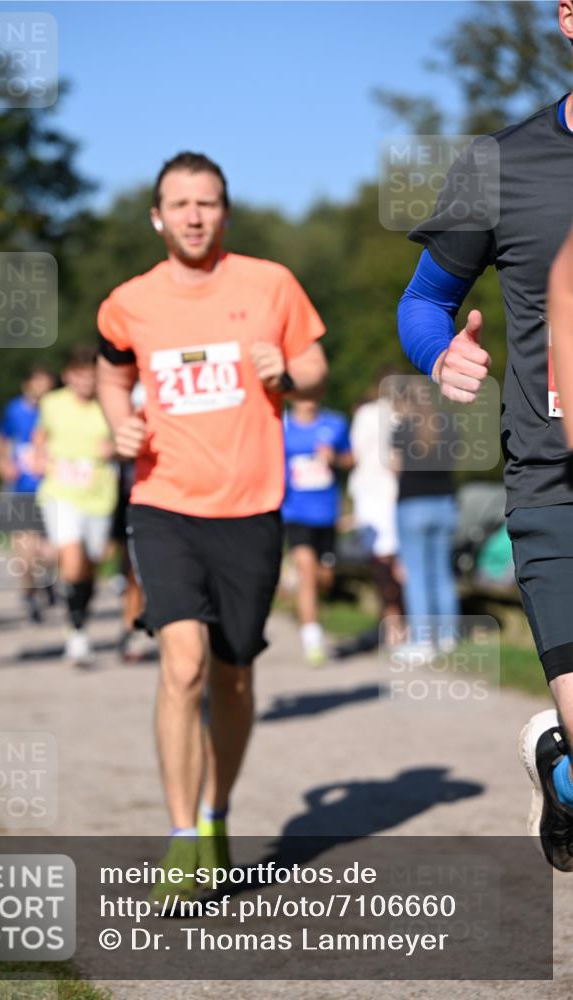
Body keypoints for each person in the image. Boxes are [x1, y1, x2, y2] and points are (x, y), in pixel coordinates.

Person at [96, 151, 327, 898]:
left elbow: (315, 364)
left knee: (231, 677)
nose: (193, 215)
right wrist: (115, 422)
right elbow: (111, 369)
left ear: (223, 212)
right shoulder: (127, 301)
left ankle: (217, 810)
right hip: (162, 502)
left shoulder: (269, 284)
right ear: (156, 215)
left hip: (251, 507)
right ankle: (181, 838)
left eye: (208, 202)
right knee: (183, 663)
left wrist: (283, 374)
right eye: (179, 203)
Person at [397, 1, 573, 870]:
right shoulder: (496, 165)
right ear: (567, 18)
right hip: (555, 483)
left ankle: (563, 770)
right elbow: (422, 300)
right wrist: (439, 359)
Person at [33, 345, 117, 666]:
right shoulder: (53, 404)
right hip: (61, 492)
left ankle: (79, 620)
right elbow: (40, 436)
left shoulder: (108, 405)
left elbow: (127, 444)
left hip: (98, 494)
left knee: (91, 567)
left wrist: (115, 450)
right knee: (71, 561)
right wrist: (39, 456)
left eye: (90, 378)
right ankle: (75, 633)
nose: (85, 383)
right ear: (68, 376)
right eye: (79, 376)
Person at [391, 379, 460, 658]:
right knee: (442, 572)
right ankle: (448, 636)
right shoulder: (449, 426)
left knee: (416, 575)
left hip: (412, 505)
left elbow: (395, 468)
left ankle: (422, 641)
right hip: (445, 504)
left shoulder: (402, 429)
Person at [281, 400, 352, 664]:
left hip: (326, 514)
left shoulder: (335, 423)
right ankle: (313, 641)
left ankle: (298, 591)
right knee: (307, 571)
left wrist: (335, 458)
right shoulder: (282, 426)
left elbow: (351, 459)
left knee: (324, 578)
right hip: (295, 512)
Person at [346, 375, 402, 651]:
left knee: (380, 563)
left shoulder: (366, 414)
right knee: (398, 561)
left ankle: (393, 625)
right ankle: (403, 621)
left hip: (370, 492)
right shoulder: (405, 413)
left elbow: (354, 454)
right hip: (398, 492)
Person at [0, 365, 56, 622]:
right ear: (28, 385)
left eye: (47, 384)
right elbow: (2, 440)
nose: (42, 389)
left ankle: (46, 579)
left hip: (50, 487)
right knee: (24, 548)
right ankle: (29, 592)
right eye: (38, 383)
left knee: (48, 551)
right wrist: (4, 464)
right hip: (21, 487)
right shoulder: (14, 410)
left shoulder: (57, 410)